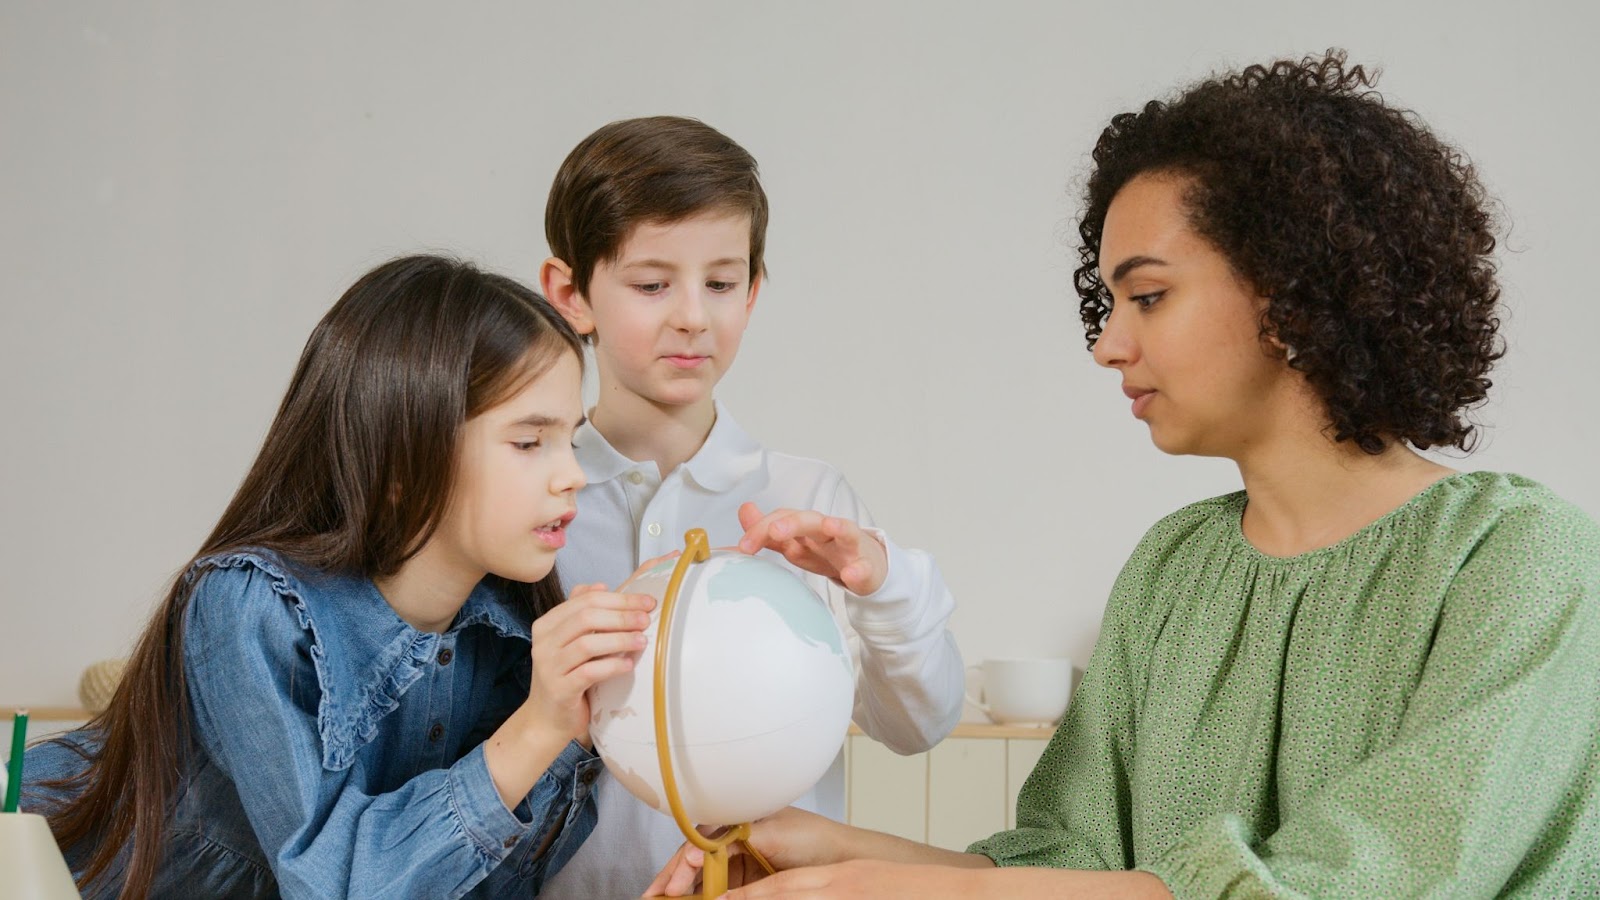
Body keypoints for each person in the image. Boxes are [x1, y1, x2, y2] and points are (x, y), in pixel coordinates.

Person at [646, 51, 1600, 898]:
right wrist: (829, 851)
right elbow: (1070, 868)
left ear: (1295, 289)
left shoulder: (1520, 560)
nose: (1108, 345)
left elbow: (1351, 884)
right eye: (1109, 303)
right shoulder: (1175, 567)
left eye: (1148, 296)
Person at [23, 255, 655, 899]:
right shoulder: (251, 607)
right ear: (404, 455)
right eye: (529, 442)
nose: (572, 474)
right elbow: (332, 885)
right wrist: (535, 729)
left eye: (569, 441)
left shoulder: (505, 634)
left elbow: (485, 885)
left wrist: (574, 727)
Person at [533, 116, 967, 898]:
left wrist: (885, 587)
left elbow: (920, 725)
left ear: (753, 290)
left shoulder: (810, 503)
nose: (694, 316)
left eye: (722, 283)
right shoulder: (533, 506)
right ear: (572, 294)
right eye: (652, 284)